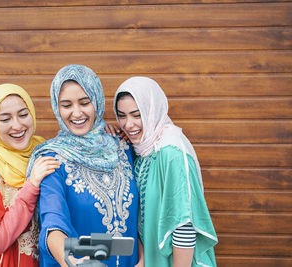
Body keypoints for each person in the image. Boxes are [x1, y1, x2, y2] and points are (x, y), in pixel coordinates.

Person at [26, 64, 142, 267]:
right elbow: (52, 222)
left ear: (96, 101)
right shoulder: (52, 159)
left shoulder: (123, 148)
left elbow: (137, 220)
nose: (76, 113)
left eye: (84, 102)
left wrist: (141, 257)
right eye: (66, 105)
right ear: (56, 107)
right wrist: (72, 260)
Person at [113, 77, 218, 267]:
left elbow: (183, 225)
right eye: (122, 116)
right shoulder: (141, 150)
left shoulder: (172, 153)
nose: (128, 124)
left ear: (152, 111)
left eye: (137, 115)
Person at [0, 83, 60, 267]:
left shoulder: (44, 151)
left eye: (23, 114)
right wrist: (31, 187)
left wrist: (111, 134)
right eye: (5, 119)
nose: (17, 125)